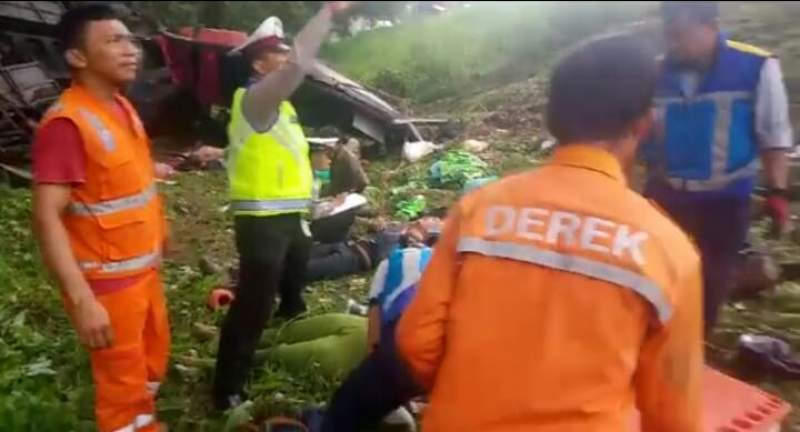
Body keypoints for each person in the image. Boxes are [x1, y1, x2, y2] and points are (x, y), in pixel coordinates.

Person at [397, 34, 703, 432]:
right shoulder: (668, 249)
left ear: (554, 118)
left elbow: (416, 339)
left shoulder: (480, 208)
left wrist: (468, 397)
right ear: (643, 124)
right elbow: (674, 414)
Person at [31, 5, 169, 432]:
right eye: (113, 41)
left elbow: (132, 183)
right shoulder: (67, 124)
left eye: (130, 39)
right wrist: (82, 300)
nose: (131, 50)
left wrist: (161, 233)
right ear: (77, 57)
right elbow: (46, 217)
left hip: (143, 272)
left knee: (150, 365)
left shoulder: (122, 107)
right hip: (107, 287)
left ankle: (144, 423)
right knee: (120, 392)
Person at [214, 2, 353, 410]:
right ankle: (226, 387)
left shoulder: (284, 110)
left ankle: (287, 328)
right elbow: (297, 67)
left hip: (292, 217)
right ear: (259, 64)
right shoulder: (254, 101)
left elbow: (290, 160)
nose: (286, 59)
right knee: (253, 302)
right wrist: (327, 14)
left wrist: (316, 196)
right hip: (262, 220)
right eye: (278, 52)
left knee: (293, 285)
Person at [642, 1, 794, 331]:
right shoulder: (656, 72)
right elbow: (641, 135)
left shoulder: (755, 66)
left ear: (709, 25)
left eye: (680, 34)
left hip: (724, 202)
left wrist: (777, 192)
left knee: (710, 284)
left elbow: (774, 134)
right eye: (668, 35)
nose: (673, 44)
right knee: (653, 277)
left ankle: (693, 350)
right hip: (665, 195)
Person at [321, 221, 441, 432]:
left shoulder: (394, 262)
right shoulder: (449, 263)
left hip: (402, 346)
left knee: (348, 409)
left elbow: (374, 344)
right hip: (418, 348)